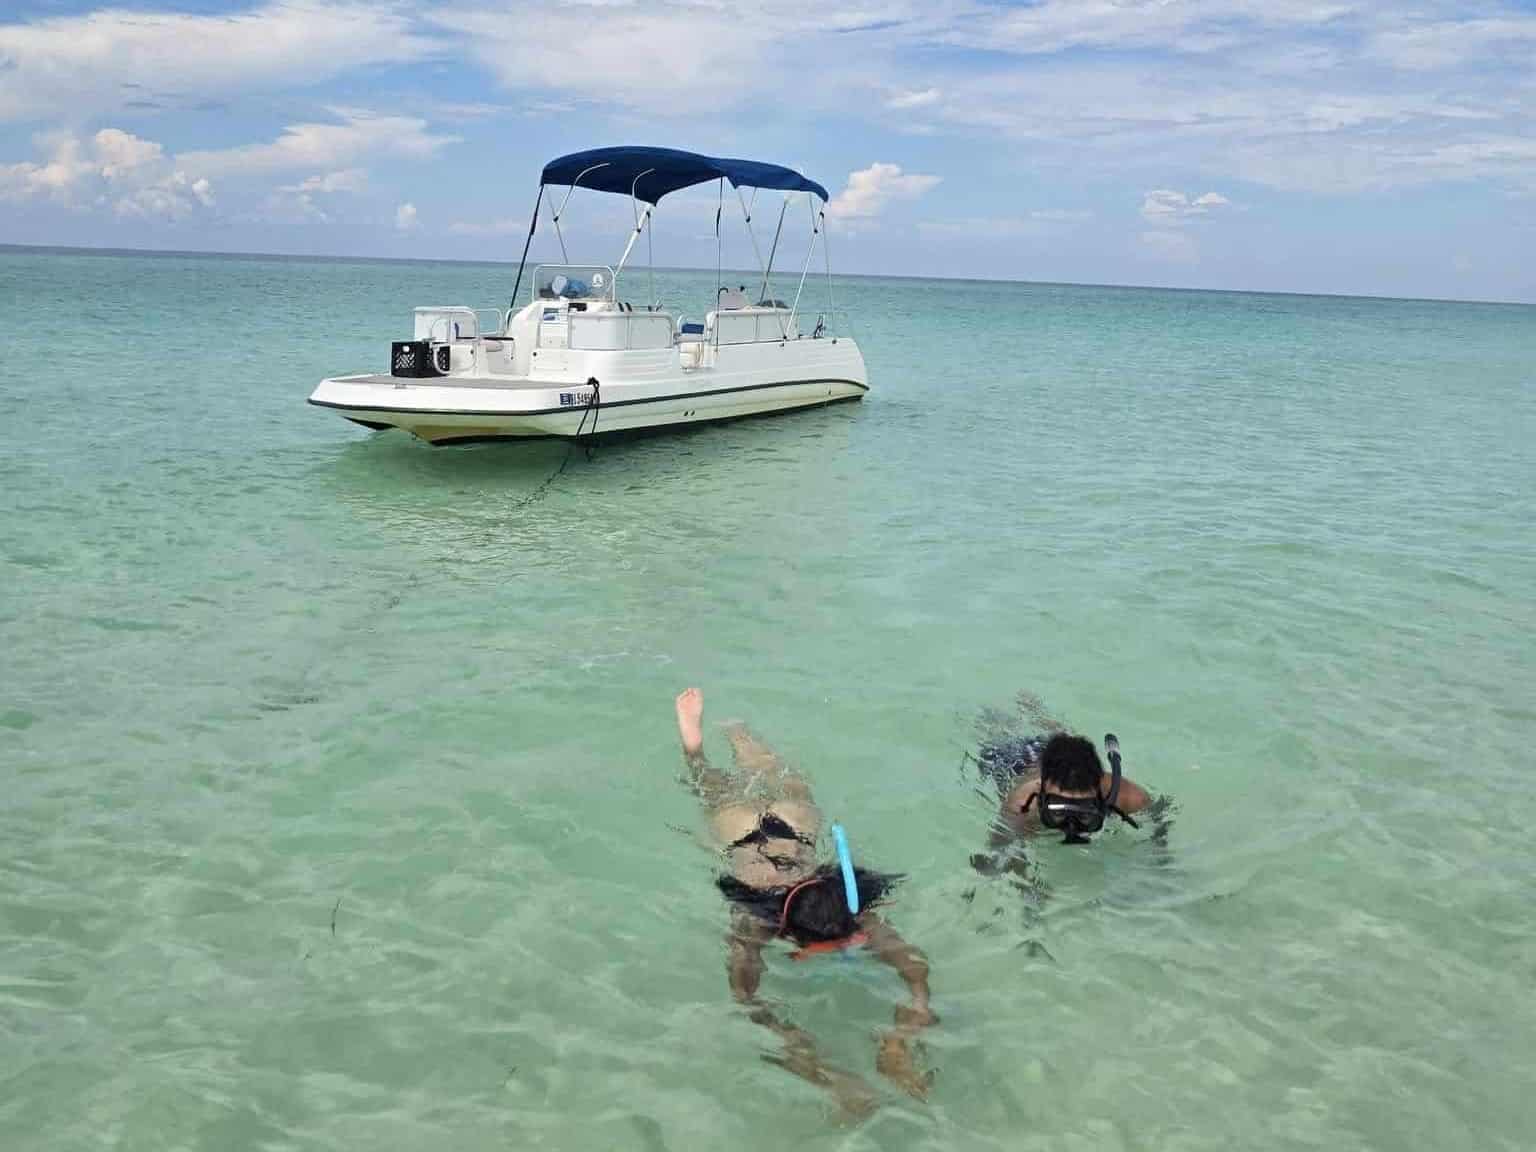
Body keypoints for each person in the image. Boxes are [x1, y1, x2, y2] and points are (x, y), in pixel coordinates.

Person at [673, 688, 936, 1114]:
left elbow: (748, 999)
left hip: (791, 824)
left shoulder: (778, 917)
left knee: (738, 780)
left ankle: (707, 740)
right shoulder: (787, 917)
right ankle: (718, 738)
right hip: (745, 829)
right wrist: (897, 1037)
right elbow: (915, 971)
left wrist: (885, 1050)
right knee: (727, 781)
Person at [973, 727, 1154, 871]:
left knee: (1059, 735)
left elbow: (1159, 836)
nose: (1071, 828)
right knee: (995, 728)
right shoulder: (1022, 805)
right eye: (1058, 813)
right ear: (1040, 792)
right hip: (1011, 759)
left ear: (1100, 792)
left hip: (1054, 754)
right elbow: (997, 855)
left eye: (1084, 814)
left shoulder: (1131, 797)